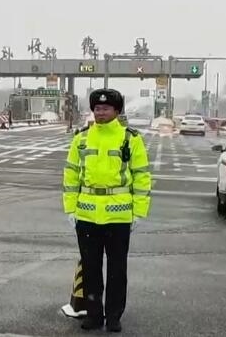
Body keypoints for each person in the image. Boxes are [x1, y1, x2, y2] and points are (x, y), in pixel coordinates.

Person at [62, 88, 152, 332]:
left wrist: (139, 212)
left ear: (117, 111)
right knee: (90, 269)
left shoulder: (130, 139)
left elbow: (142, 176)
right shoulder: (81, 138)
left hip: (118, 216)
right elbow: (71, 174)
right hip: (86, 215)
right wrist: (70, 208)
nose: (101, 112)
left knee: (117, 271)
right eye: (97, 108)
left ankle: (113, 316)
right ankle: (93, 315)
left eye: (106, 108)